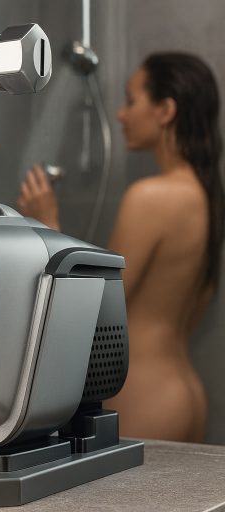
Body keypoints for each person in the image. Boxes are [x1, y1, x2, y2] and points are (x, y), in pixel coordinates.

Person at [18, 53, 224, 443]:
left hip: (147, 398)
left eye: (132, 100)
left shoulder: (150, 197)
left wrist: (49, 223)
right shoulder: (207, 197)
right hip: (185, 393)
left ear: (165, 110)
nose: (121, 114)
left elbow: (96, 309)